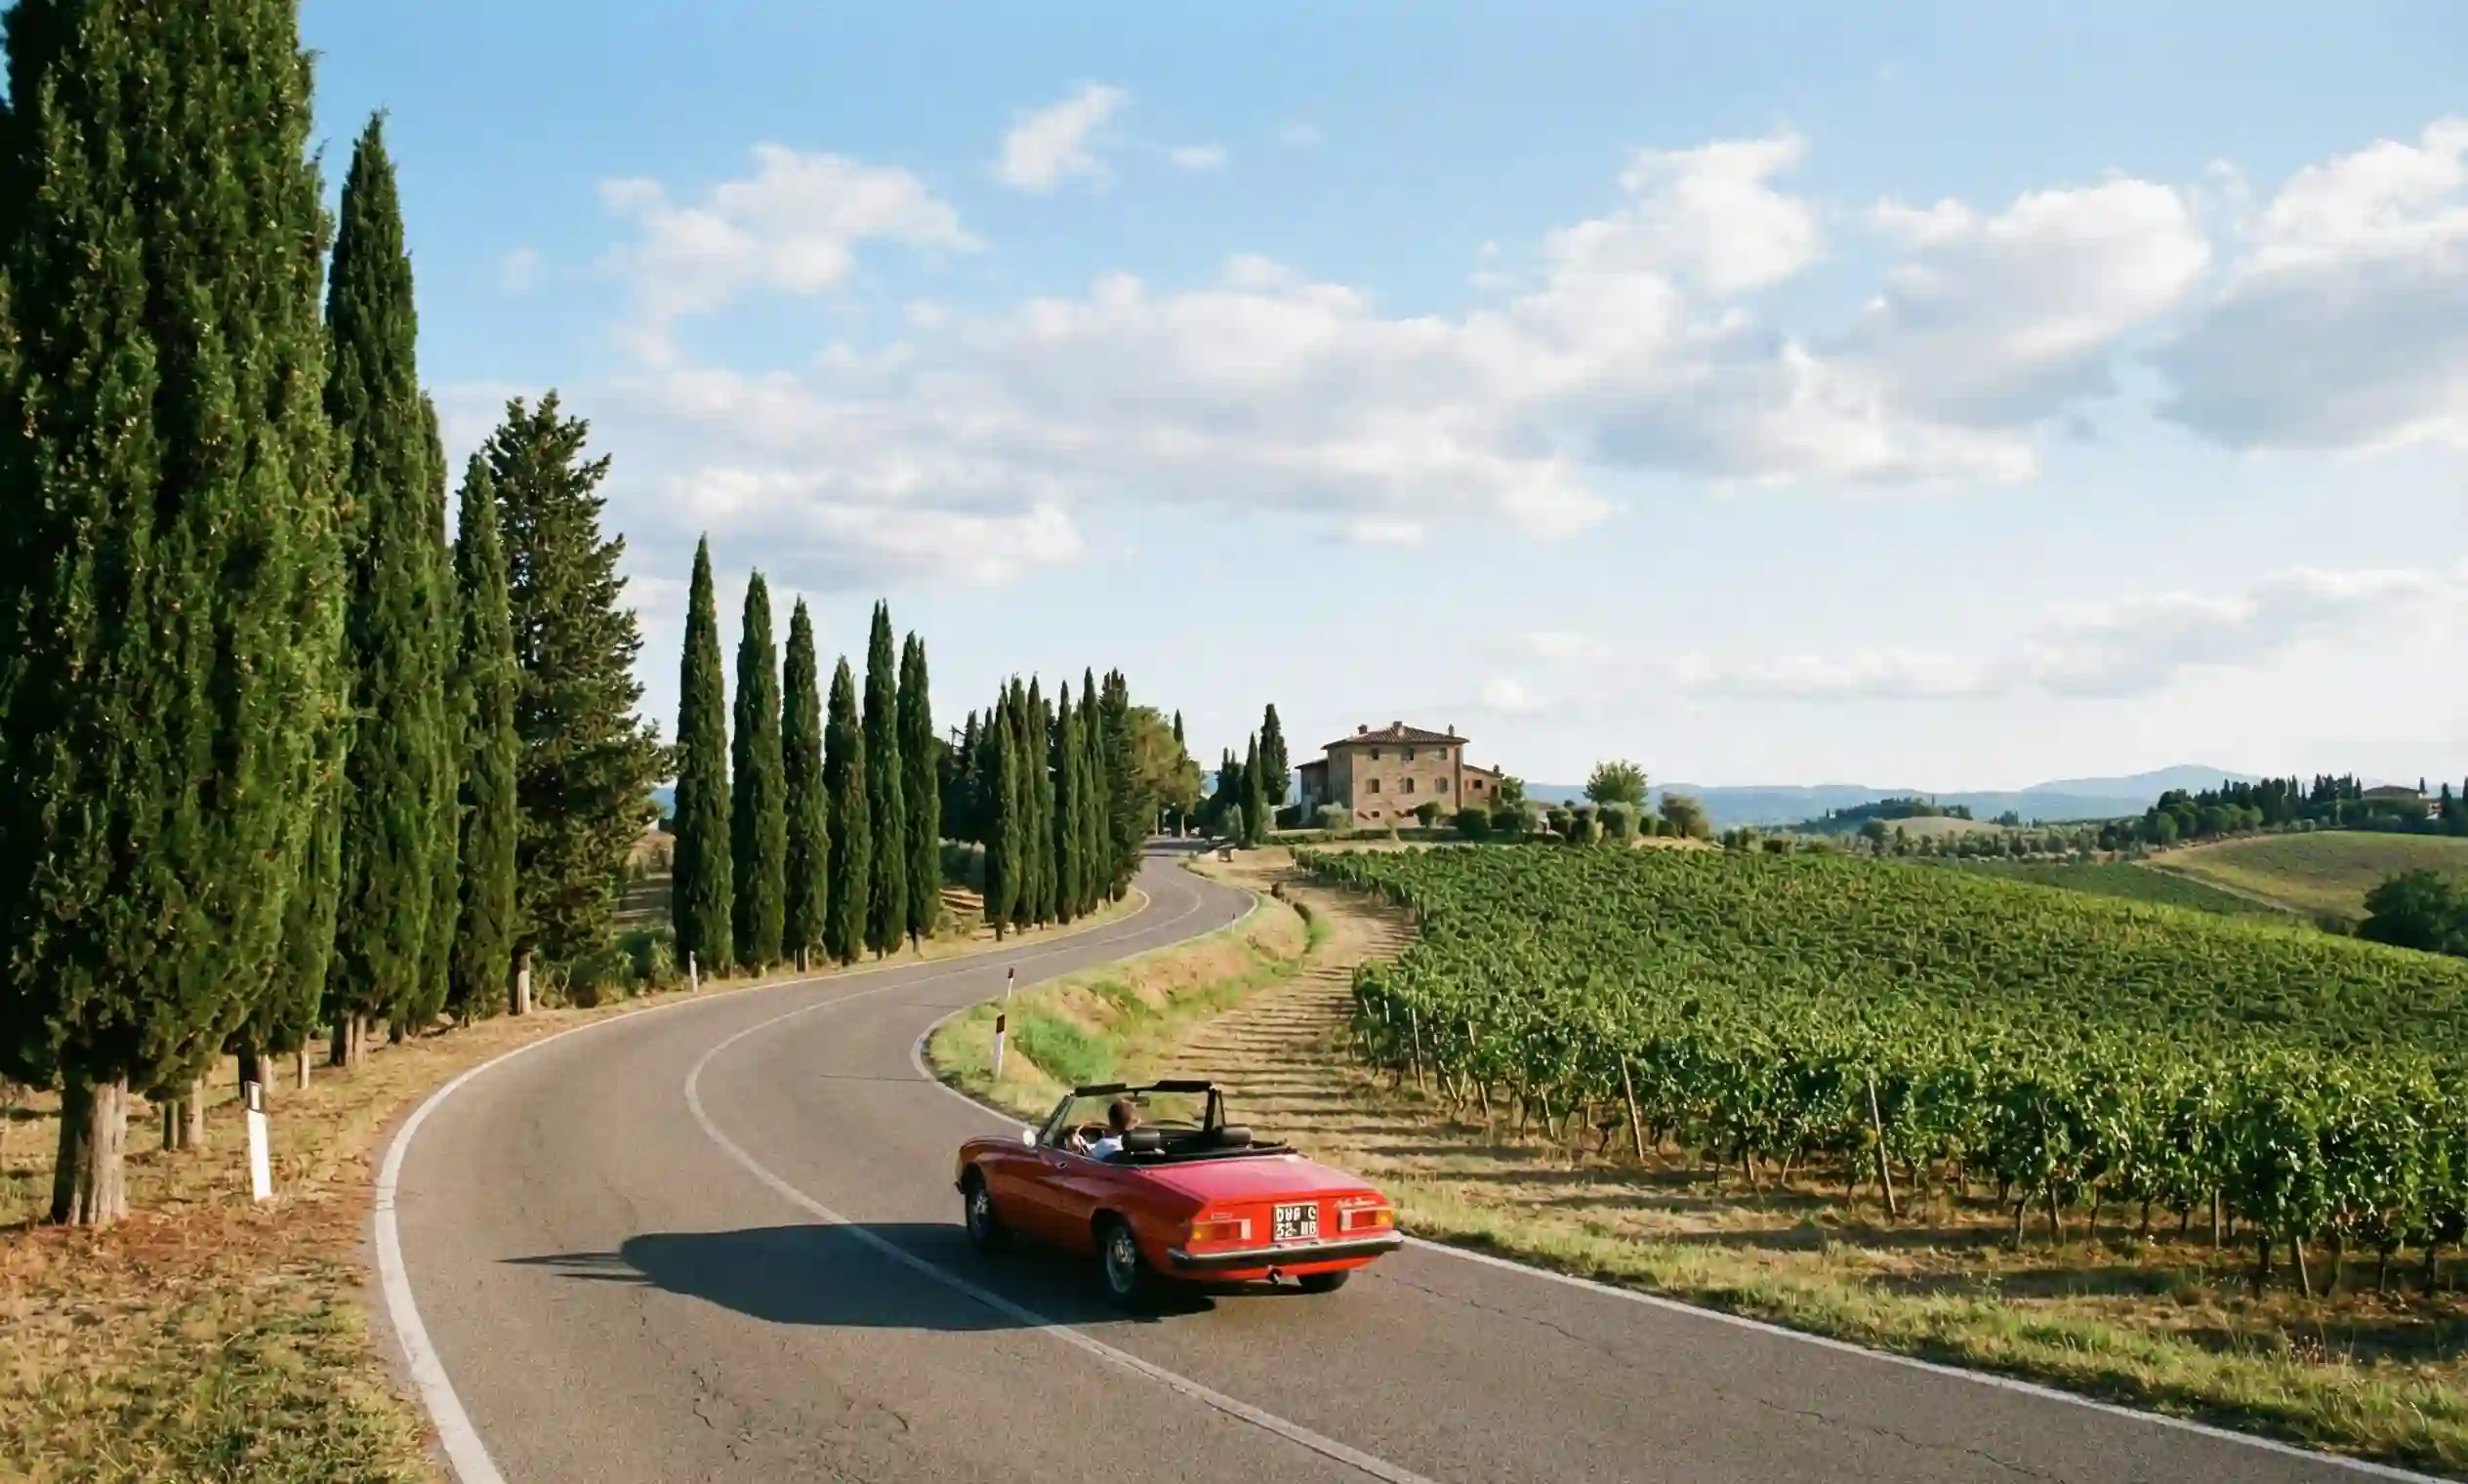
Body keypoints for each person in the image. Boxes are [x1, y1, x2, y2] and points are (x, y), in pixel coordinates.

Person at [1074, 1097, 1141, 1160]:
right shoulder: (1143, 1147)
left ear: (1111, 1123)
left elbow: (1086, 1160)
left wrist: (1077, 1147)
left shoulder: (1105, 1144)